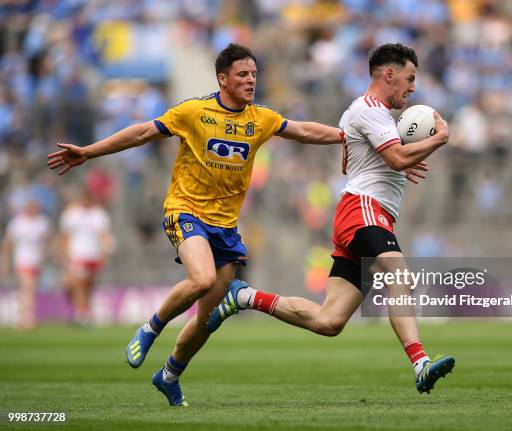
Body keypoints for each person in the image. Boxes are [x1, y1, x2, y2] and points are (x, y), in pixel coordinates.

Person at [47, 43, 343, 406]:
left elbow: (304, 131)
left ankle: (169, 374)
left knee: (208, 318)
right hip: (185, 211)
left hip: (226, 227)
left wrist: (348, 136)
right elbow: (141, 133)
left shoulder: (260, 118)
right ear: (222, 78)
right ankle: (149, 329)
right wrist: (89, 152)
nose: (251, 80)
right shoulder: (194, 112)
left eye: (253, 74)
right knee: (201, 279)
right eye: (242, 75)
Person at [207, 43, 455, 394]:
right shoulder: (369, 110)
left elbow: (357, 162)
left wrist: (397, 163)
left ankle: (243, 297)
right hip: (364, 211)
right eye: (409, 78)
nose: (412, 87)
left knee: (329, 321)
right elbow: (395, 159)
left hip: (362, 213)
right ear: (389, 74)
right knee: (399, 274)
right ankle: (420, 364)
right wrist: (436, 141)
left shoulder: (371, 113)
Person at [58, 189, 114, 326]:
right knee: (75, 284)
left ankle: (83, 313)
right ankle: (82, 313)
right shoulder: (72, 213)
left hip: (93, 255)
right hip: (77, 254)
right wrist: (64, 254)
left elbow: (104, 236)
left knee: (86, 285)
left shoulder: (98, 214)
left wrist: (105, 254)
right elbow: (65, 236)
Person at [1, 199, 52, 329]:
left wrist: (45, 254)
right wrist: (5, 260)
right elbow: (9, 242)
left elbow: (47, 240)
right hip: (22, 258)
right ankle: (27, 317)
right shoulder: (18, 222)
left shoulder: (42, 222)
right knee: (27, 287)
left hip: (36, 260)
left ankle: (24, 315)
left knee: (30, 288)